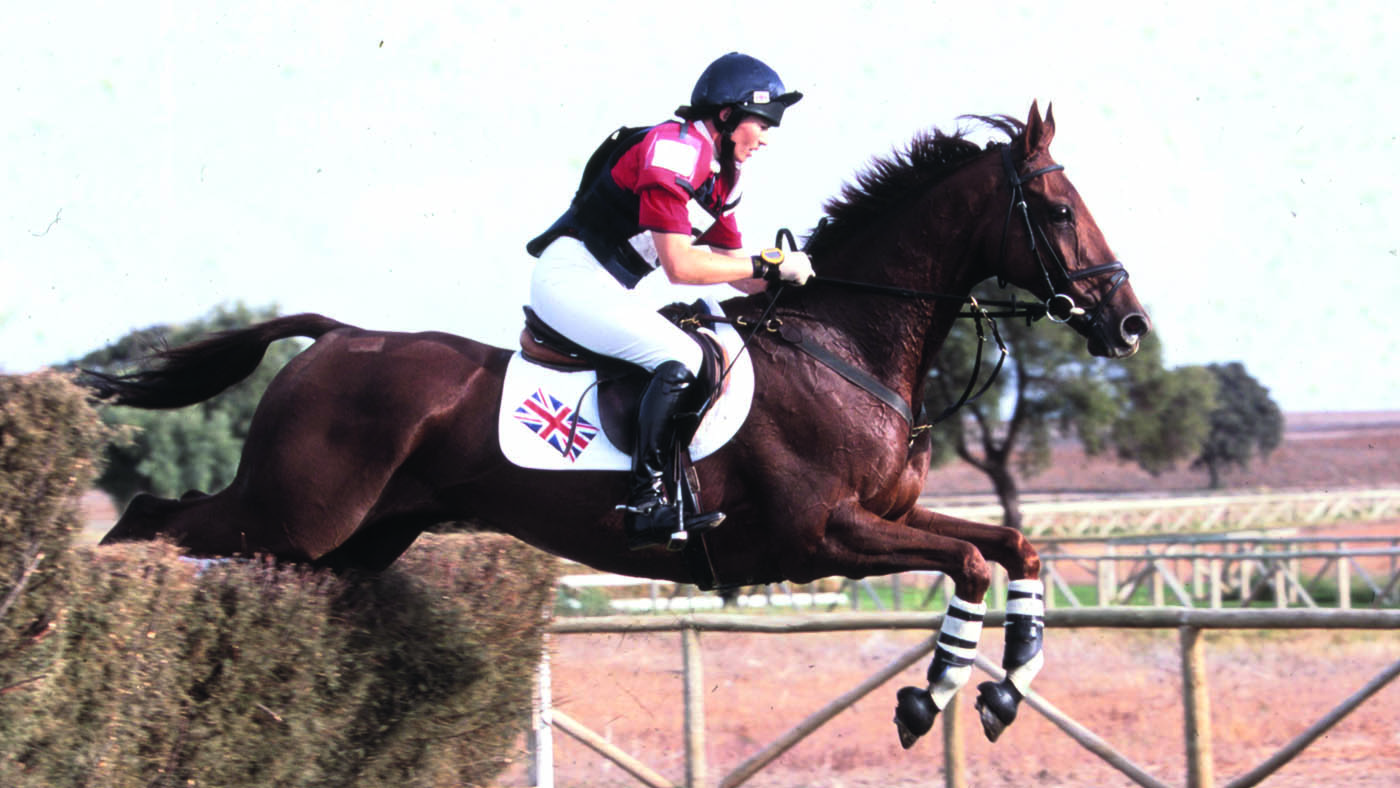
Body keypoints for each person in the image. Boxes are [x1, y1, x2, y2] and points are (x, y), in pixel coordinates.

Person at [525, 52, 814, 550]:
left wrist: (796, 279)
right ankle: (643, 504)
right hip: (570, 279)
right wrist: (766, 263)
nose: (766, 138)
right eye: (762, 123)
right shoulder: (674, 150)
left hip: (607, 287)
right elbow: (682, 267)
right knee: (682, 356)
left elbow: (732, 269)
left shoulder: (724, 179)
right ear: (726, 117)